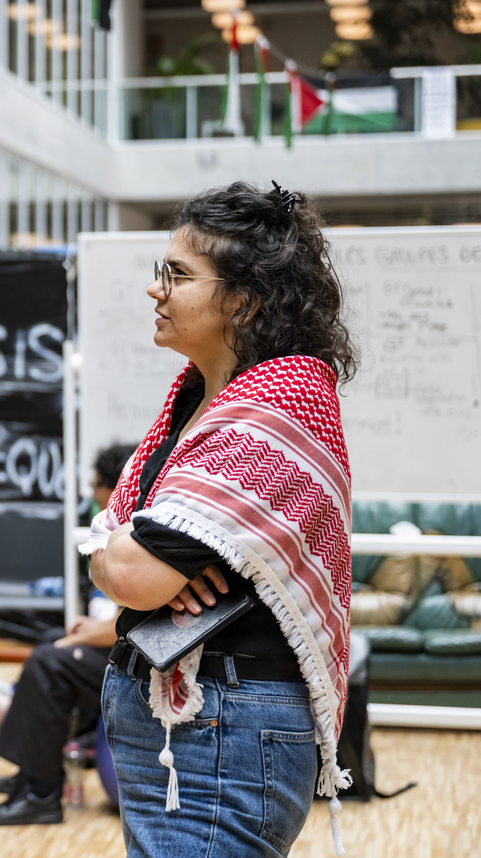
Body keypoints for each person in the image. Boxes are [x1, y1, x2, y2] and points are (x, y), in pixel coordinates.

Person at [83, 181, 357, 857]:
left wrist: (118, 552)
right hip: (188, 722)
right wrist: (114, 552)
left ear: (243, 298)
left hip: (225, 724)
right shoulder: (194, 399)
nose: (156, 290)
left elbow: (130, 569)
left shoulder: (278, 404)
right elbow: (110, 544)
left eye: (177, 275)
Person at [0, 443, 135, 827]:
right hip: (129, 645)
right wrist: (82, 632)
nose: (92, 492)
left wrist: (78, 640)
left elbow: (132, 625)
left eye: (96, 483)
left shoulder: (134, 528)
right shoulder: (120, 526)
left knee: (50, 661)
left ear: (113, 485)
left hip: (143, 660)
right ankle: (30, 775)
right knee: (48, 643)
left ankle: (42, 793)